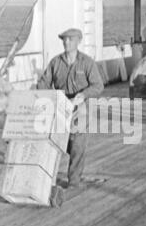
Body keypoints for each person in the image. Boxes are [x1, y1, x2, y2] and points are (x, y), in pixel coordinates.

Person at [37, 28, 104, 188]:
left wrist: (83, 95)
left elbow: (98, 85)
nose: (66, 42)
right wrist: (46, 97)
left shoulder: (87, 62)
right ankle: (47, 177)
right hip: (61, 106)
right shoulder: (55, 62)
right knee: (59, 141)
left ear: (78, 41)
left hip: (81, 108)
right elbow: (43, 84)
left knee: (77, 144)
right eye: (64, 40)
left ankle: (74, 181)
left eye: (70, 40)